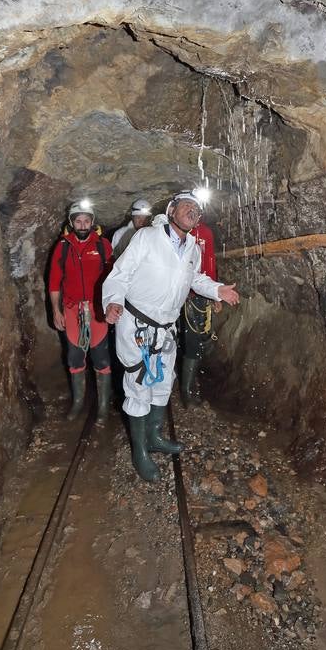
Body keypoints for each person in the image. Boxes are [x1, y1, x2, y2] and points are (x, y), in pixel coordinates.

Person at [102, 190, 240, 482]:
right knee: (138, 387)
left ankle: (154, 437)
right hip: (137, 326)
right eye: (187, 206)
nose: (193, 211)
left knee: (163, 383)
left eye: (197, 209)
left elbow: (195, 278)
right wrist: (112, 301)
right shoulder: (147, 237)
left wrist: (217, 290)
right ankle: (140, 452)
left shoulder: (193, 247)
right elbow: (120, 273)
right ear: (172, 210)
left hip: (166, 328)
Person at [48, 199, 113, 423]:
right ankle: (78, 402)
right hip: (72, 309)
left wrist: (112, 304)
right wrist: (56, 311)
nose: (83, 225)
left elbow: (114, 278)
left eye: (86, 221)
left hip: (96, 309)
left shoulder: (102, 246)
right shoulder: (63, 247)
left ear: (92, 222)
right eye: (78, 221)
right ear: (71, 223)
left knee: (101, 356)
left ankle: (103, 406)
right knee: (75, 357)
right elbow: (54, 282)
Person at [180, 218, 221, 407]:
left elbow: (210, 263)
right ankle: (185, 391)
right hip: (180, 295)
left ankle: (188, 389)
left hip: (198, 294)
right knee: (186, 340)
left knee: (196, 340)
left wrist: (214, 294)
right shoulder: (176, 231)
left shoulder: (205, 232)